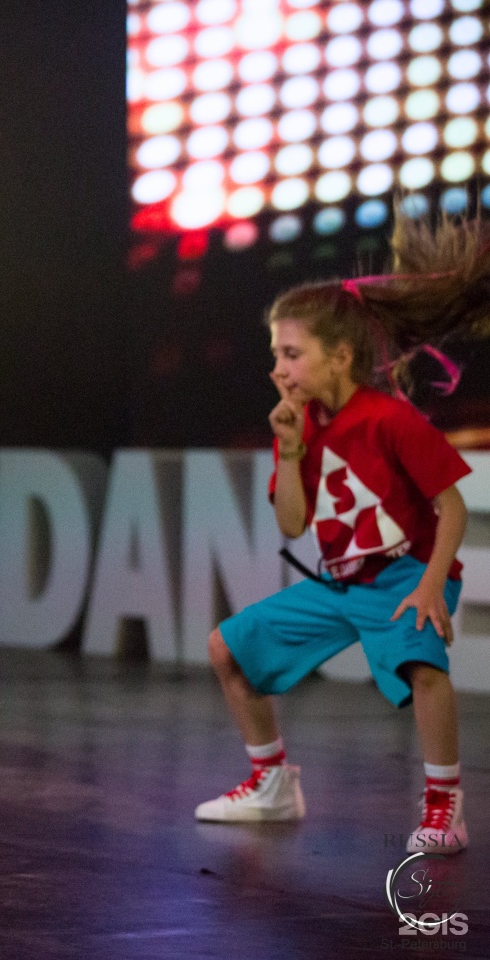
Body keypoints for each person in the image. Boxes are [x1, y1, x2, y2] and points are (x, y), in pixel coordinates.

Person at [195, 211, 490, 855]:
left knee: (422, 656)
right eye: (275, 354)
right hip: (339, 582)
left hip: (403, 574)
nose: (280, 367)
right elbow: (294, 523)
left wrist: (434, 584)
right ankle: (271, 782)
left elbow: (453, 507)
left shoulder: (389, 418)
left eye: (292, 354)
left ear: (342, 356)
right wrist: (293, 450)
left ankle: (445, 809)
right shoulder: (294, 426)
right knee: (227, 649)